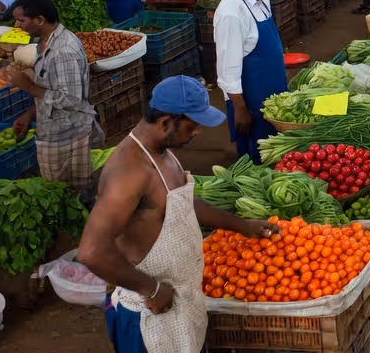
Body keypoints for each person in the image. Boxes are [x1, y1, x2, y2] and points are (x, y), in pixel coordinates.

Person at [81, 76, 278, 353]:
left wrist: (241, 225)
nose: (197, 132)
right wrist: (150, 288)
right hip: (150, 314)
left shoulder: (162, 151)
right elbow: (91, 251)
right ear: (165, 123)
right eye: (192, 125)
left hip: (179, 302)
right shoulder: (128, 172)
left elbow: (181, 204)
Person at [0, 0, 103, 197]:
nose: (16, 25)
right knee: (62, 196)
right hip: (54, 132)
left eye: (21, 20)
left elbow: (71, 100)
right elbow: (51, 88)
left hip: (68, 138)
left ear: (39, 20)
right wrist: (30, 114)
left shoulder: (63, 51)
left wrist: (26, 86)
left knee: (72, 198)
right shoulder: (45, 43)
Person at [214, 0, 288, 163]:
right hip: (251, 97)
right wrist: (240, 109)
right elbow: (228, 68)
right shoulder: (231, 14)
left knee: (277, 146)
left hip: (272, 85)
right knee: (258, 151)